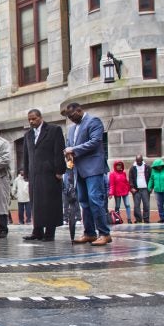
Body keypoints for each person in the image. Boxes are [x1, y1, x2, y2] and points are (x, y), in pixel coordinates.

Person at [64, 103, 111, 246]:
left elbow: (95, 142)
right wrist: (68, 153)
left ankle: (104, 233)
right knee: (84, 201)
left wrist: (73, 149)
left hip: (94, 168)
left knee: (95, 199)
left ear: (79, 110)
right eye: (69, 117)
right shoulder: (71, 129)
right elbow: (69, 146)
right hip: (79, 170)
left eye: (72, 115)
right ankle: (89, 233)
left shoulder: (93, 121)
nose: (71, 119)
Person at [22, 109, 66, 241]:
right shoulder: (28, 134)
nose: (31, 121)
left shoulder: (54, 130)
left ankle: (49, 233)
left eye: (34, 119)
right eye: (29, 119)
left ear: (40, 117)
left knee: (49, 203)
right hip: (34, 174)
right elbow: (26, 155)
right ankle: (37, 231)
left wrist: (59, 171)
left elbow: (59, 151)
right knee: (35, 203)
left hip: (50, 173)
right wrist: (27, 173)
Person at [147, 159, 164, 223]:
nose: (158, 167)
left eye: (159, 166)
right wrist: (149, 187)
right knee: (159, 205)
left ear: (162, 165)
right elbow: (151, 179)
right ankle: (162, 218)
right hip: (157, 191)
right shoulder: (153, 170)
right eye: (156, 166)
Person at [129, 154, 151, 223]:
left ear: (142, 160)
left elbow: (151, 178)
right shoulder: (133, 168)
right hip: (136, 189)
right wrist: (132, 187)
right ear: (136, 160)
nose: (138, 162)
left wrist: (150, 187)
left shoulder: (147, 167)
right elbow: (130, 178)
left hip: (145, 188)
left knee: (146, 205)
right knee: (136, 206)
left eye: (140, 161)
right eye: (137, 161)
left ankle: (146, 219)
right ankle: (138, 219)